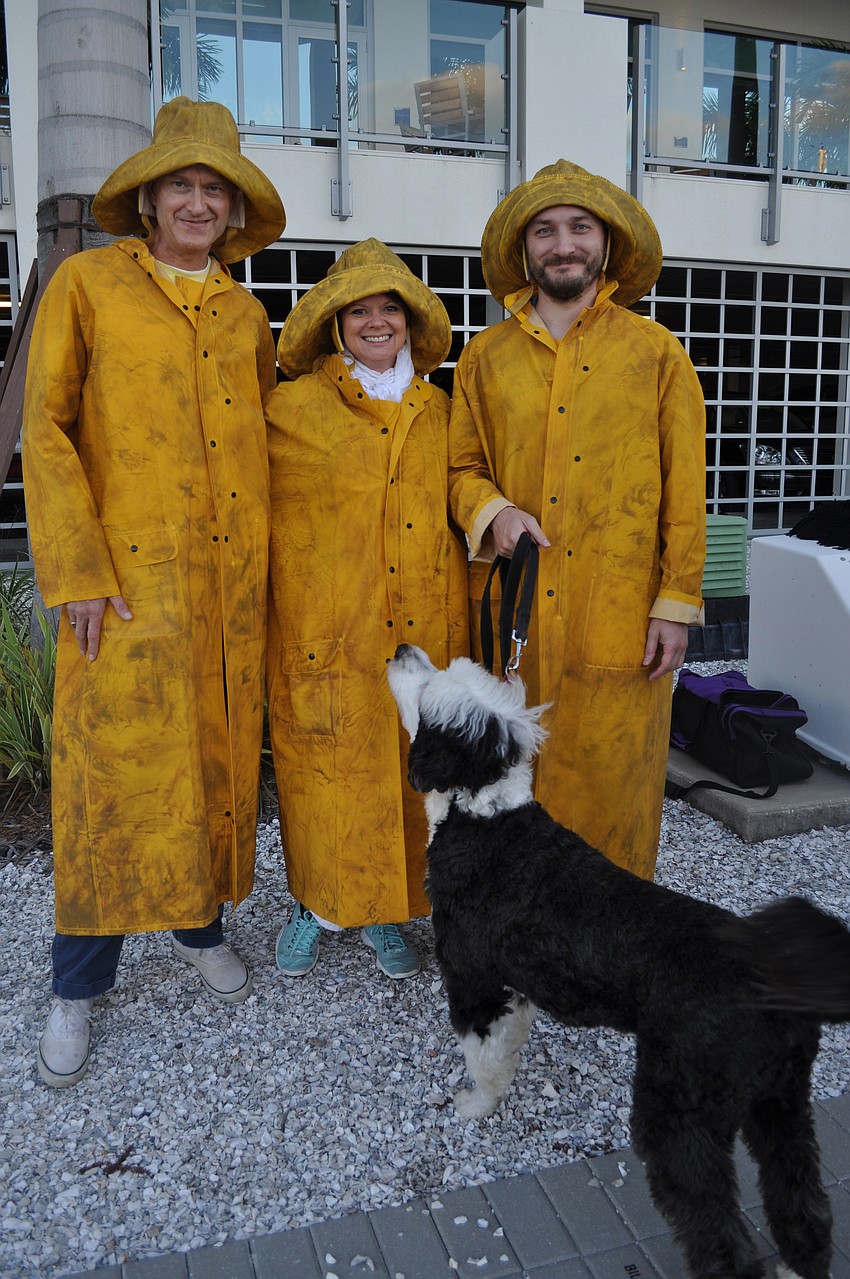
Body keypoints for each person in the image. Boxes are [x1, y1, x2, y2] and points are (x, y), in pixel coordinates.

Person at [22, 97, 286, 1087]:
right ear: (148, 198)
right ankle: (77, 984)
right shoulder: (89, 282)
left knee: (211, 762)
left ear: (229, 210)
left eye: (213, 188)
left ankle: (196, 922)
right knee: (110, 782)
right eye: (181, 183)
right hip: (125, 585)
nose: (197, 201)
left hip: (229, 587)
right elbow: (44, 429)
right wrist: (76, 569)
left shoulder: (245, 311)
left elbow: (269, 438)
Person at [448, 160, 706, 880]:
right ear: (526, 250)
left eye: (579, 228)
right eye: (546, 231)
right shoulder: (484, 358)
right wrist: (492, 512)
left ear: (605, 245)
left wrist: (675, 604)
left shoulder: (655, 353)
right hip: (517, 616)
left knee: (613, 792)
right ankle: (524, 941)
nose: (563, 244)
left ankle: (613, 947)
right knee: (513, 791)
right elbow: (459, 469)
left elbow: (687, 489)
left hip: (619, 615)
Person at [265, 239, 469, 979]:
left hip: (423, 633)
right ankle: (318, 903)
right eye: (361, 310)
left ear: (411, 323)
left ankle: (385, 908)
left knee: (407, 777)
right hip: (327, 631)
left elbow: (467, 494)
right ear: (335, 324)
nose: (377, 322)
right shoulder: (288, 410)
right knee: (324, 776)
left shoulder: (441, 410)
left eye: (391, 308)